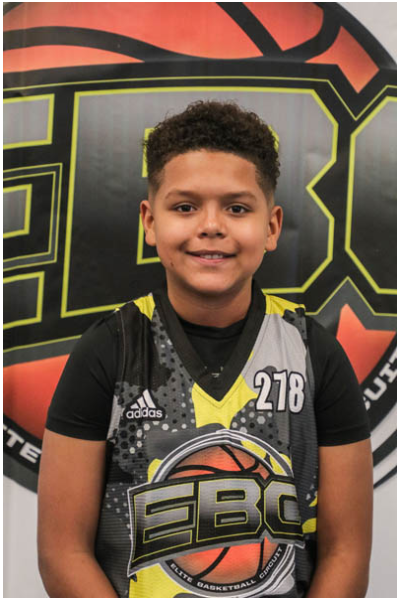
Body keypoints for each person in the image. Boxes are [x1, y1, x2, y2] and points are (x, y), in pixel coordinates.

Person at [38, 100, 373, 599]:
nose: (211, 225)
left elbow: (347, 552)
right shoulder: (109, 351)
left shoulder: (312, 354)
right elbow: (62, 552)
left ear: (272, 226)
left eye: (237, 208)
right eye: (185, 207)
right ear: (150, 222)